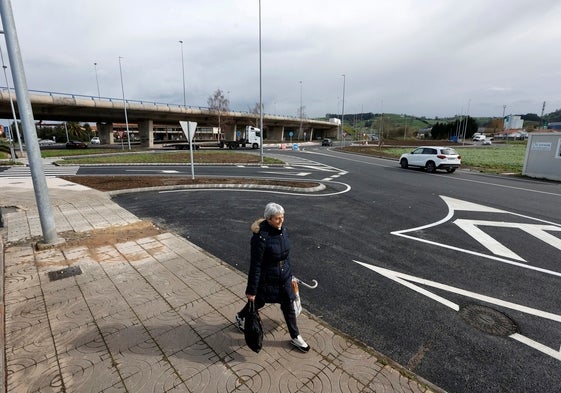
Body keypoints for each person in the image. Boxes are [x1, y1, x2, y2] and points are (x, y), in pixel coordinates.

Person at [235, 202, 310, 353]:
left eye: (282, 217)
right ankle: (241, 316)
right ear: (268, 219)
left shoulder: (283, 230)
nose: (281, 220)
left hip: (284, 278)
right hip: (268, 279)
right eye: (277, 218)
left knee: (288, 305)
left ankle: (295, 336)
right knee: (258, 302)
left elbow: (286, 256)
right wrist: (251, 291)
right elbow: (255, 266)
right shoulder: (260, 238)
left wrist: (290, 274)